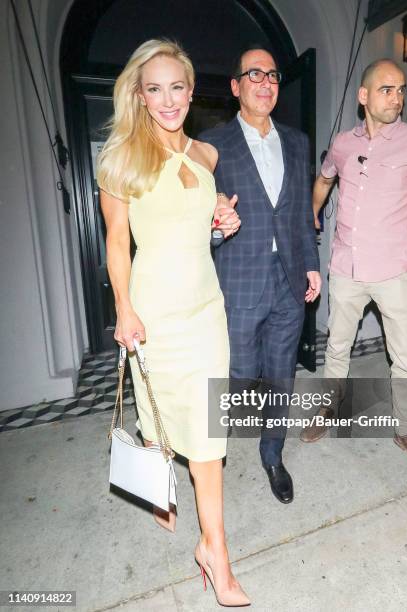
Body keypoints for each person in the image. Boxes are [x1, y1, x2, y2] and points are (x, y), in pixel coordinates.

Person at [97, 39, 249, 607]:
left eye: (177, 87)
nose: (168, 99)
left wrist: (221, 220)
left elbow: (199, 228)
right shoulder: (121, 159)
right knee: (159, 418)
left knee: (209, 437)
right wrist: (124, 309)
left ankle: (216, 552)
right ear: (139, 94)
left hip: (206, 310)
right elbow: (118, 244)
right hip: (155, 311)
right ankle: (159, 489)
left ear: (191, 90)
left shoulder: (207, 156)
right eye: (154, 88)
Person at [301, 59, 407, 481]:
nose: (397, 97)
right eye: (386, 89)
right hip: (346, 267)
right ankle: (330, 406)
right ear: (363, 96)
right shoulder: (343, 143)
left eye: (401, 89)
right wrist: (312, 213)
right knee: (337, 347)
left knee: (405, 359)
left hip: (396, 271)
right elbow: (325, 178)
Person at [201, 47, 321, 504]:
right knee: (240, 375)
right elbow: (200, 219)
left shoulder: (297, 141)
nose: (266, 82)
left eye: (272, 75)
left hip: (289, 280)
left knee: (281, 374)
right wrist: (214, 226)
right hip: (239, 279)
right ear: (235, 86)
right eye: (255, 74)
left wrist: (311, 262)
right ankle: (213, 450)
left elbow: (298, 214)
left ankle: (273, 454)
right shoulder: (213, 144)